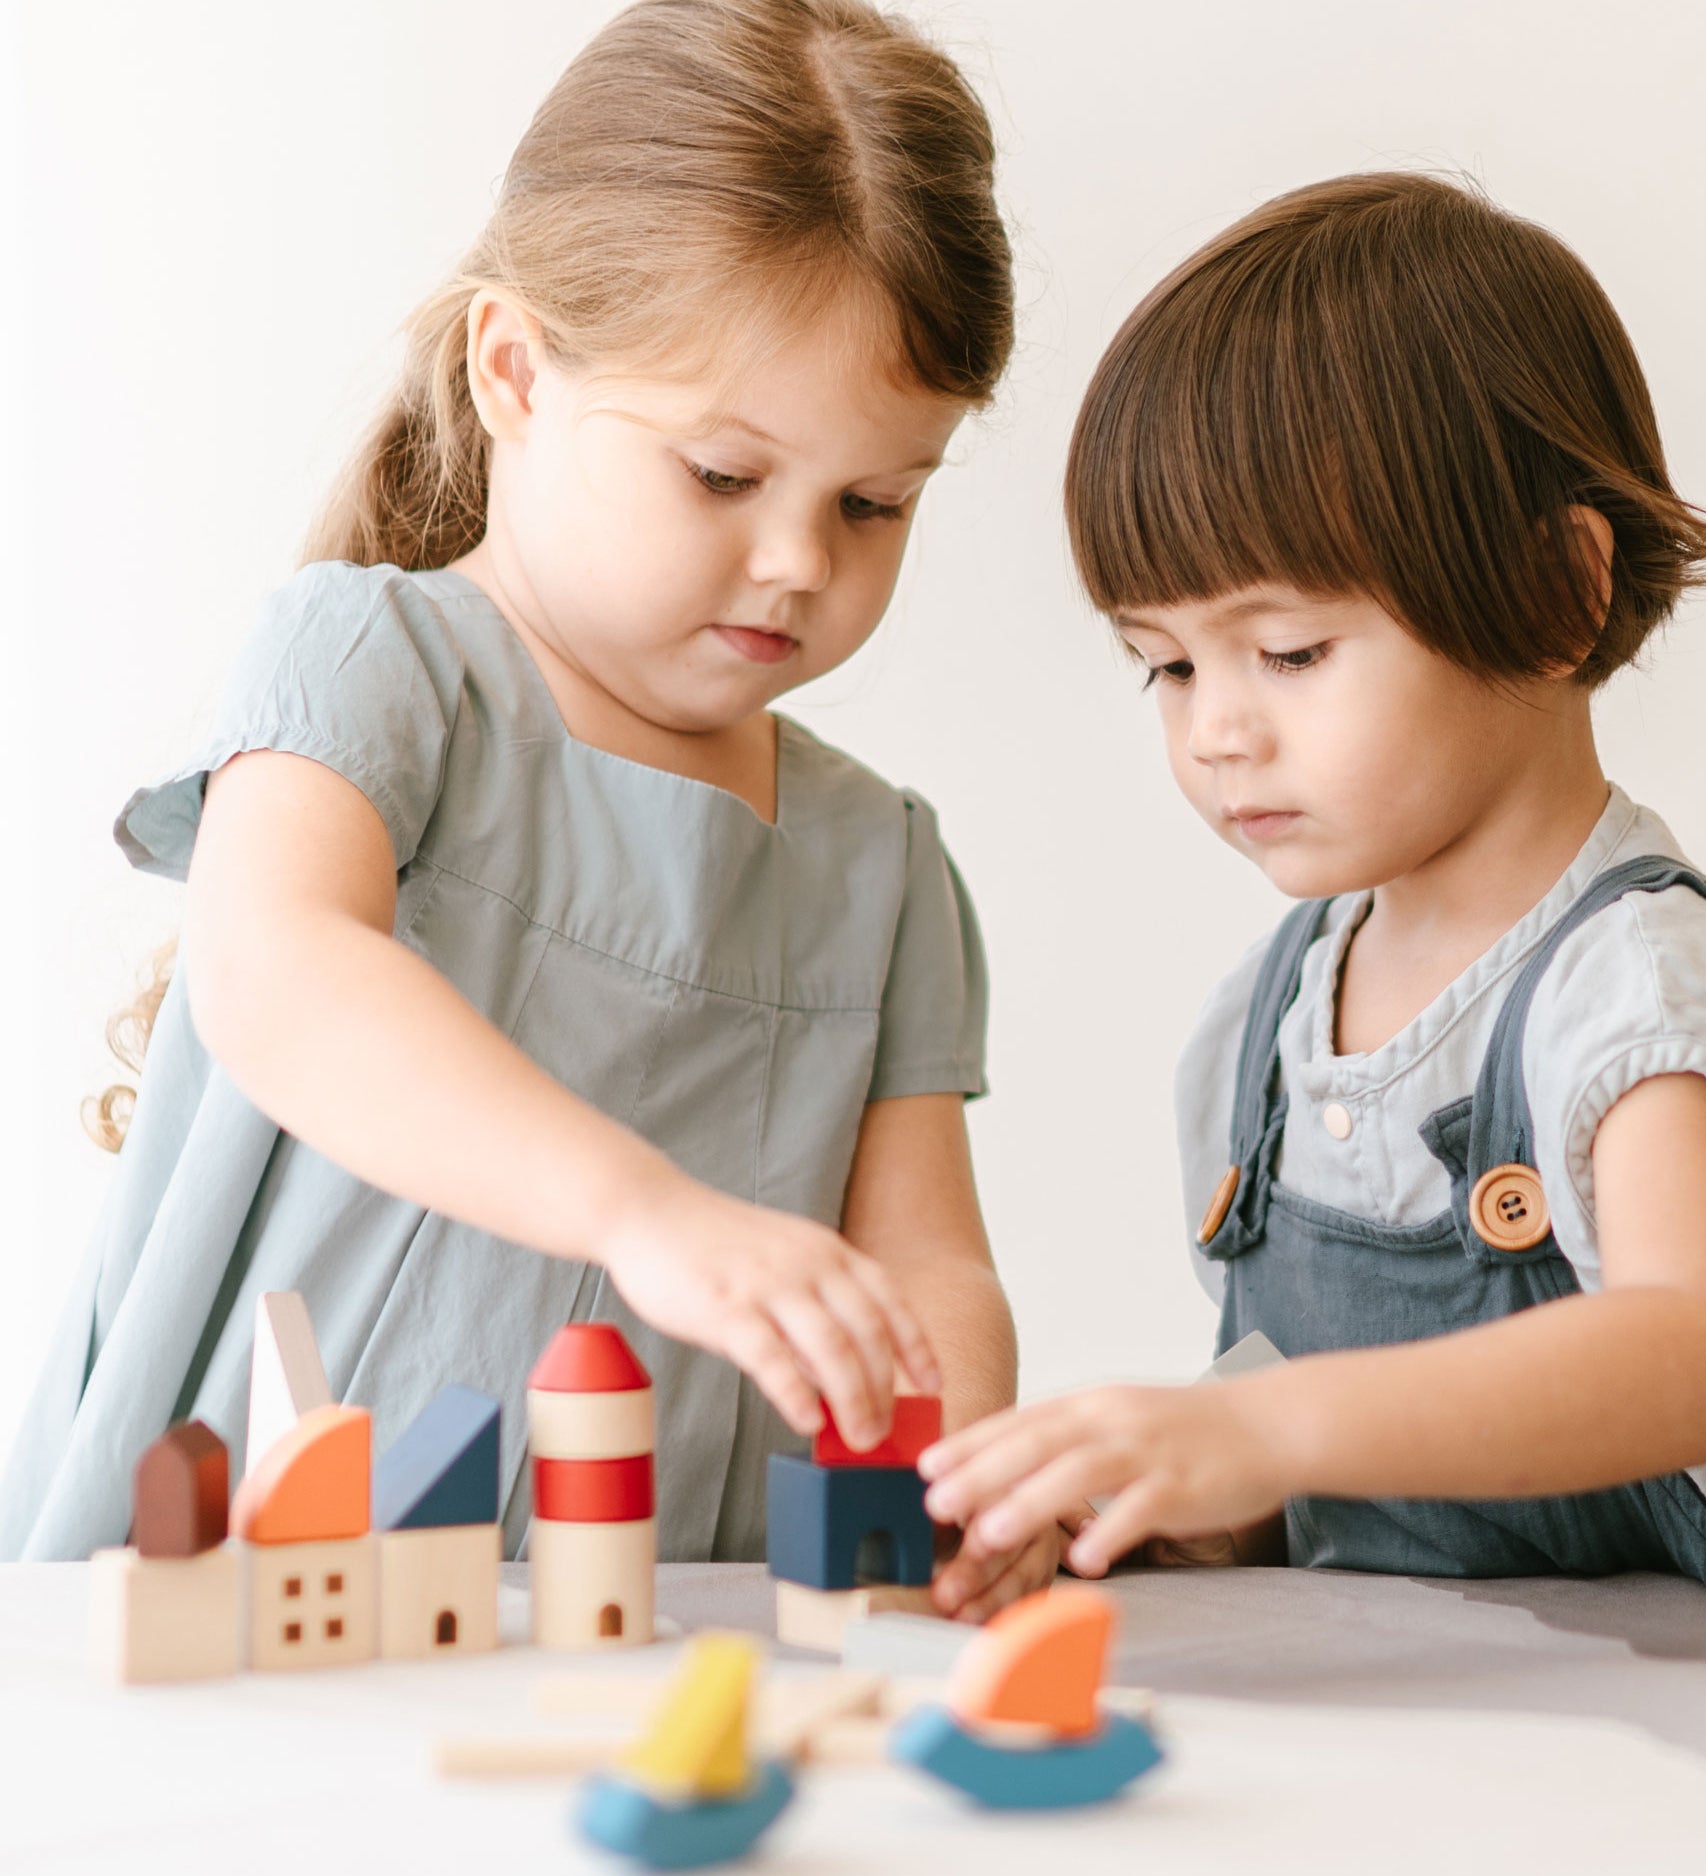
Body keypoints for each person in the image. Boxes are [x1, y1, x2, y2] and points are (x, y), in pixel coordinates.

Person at [5, 0, 1054, 1614]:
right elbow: (282, 973)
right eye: (721, 474)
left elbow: (930, 1265)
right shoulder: (377, 661)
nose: (799, 561)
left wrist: (957, 1467)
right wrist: (642, 1213)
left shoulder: (883, 863)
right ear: (513, 371)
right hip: (268, 1597)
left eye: (873, 504)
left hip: (656, 1614)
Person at [921, 171, 1706, 1584]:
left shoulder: (1631, 993)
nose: (1217, 728)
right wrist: (1153, 1496)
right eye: (1164, 663)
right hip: (1398, 1747)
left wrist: (1273, 1430)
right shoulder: (1268, 1021)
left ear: (1554, 593)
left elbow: (1681, 1349)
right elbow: (1319, 1469)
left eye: (1287, 651)